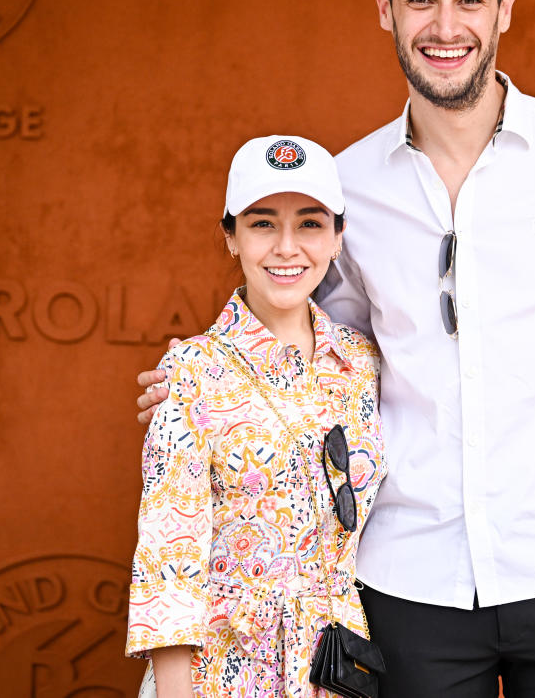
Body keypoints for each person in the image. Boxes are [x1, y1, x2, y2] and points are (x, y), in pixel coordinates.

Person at [139, 0, 535, 697]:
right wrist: (204, 381)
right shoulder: (347, 185)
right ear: (385, 8)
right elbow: (319, 347)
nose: (445, 26)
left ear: (505, 8)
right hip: (406, 586)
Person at [126, 135, 386, 698]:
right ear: (231, 237)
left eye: (311, 224)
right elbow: (170, 557)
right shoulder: (192, 371)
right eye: (263, 224)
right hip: (223, 674)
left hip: (335, 671)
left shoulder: (362, 364)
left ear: (338, 238)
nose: (287, 248)